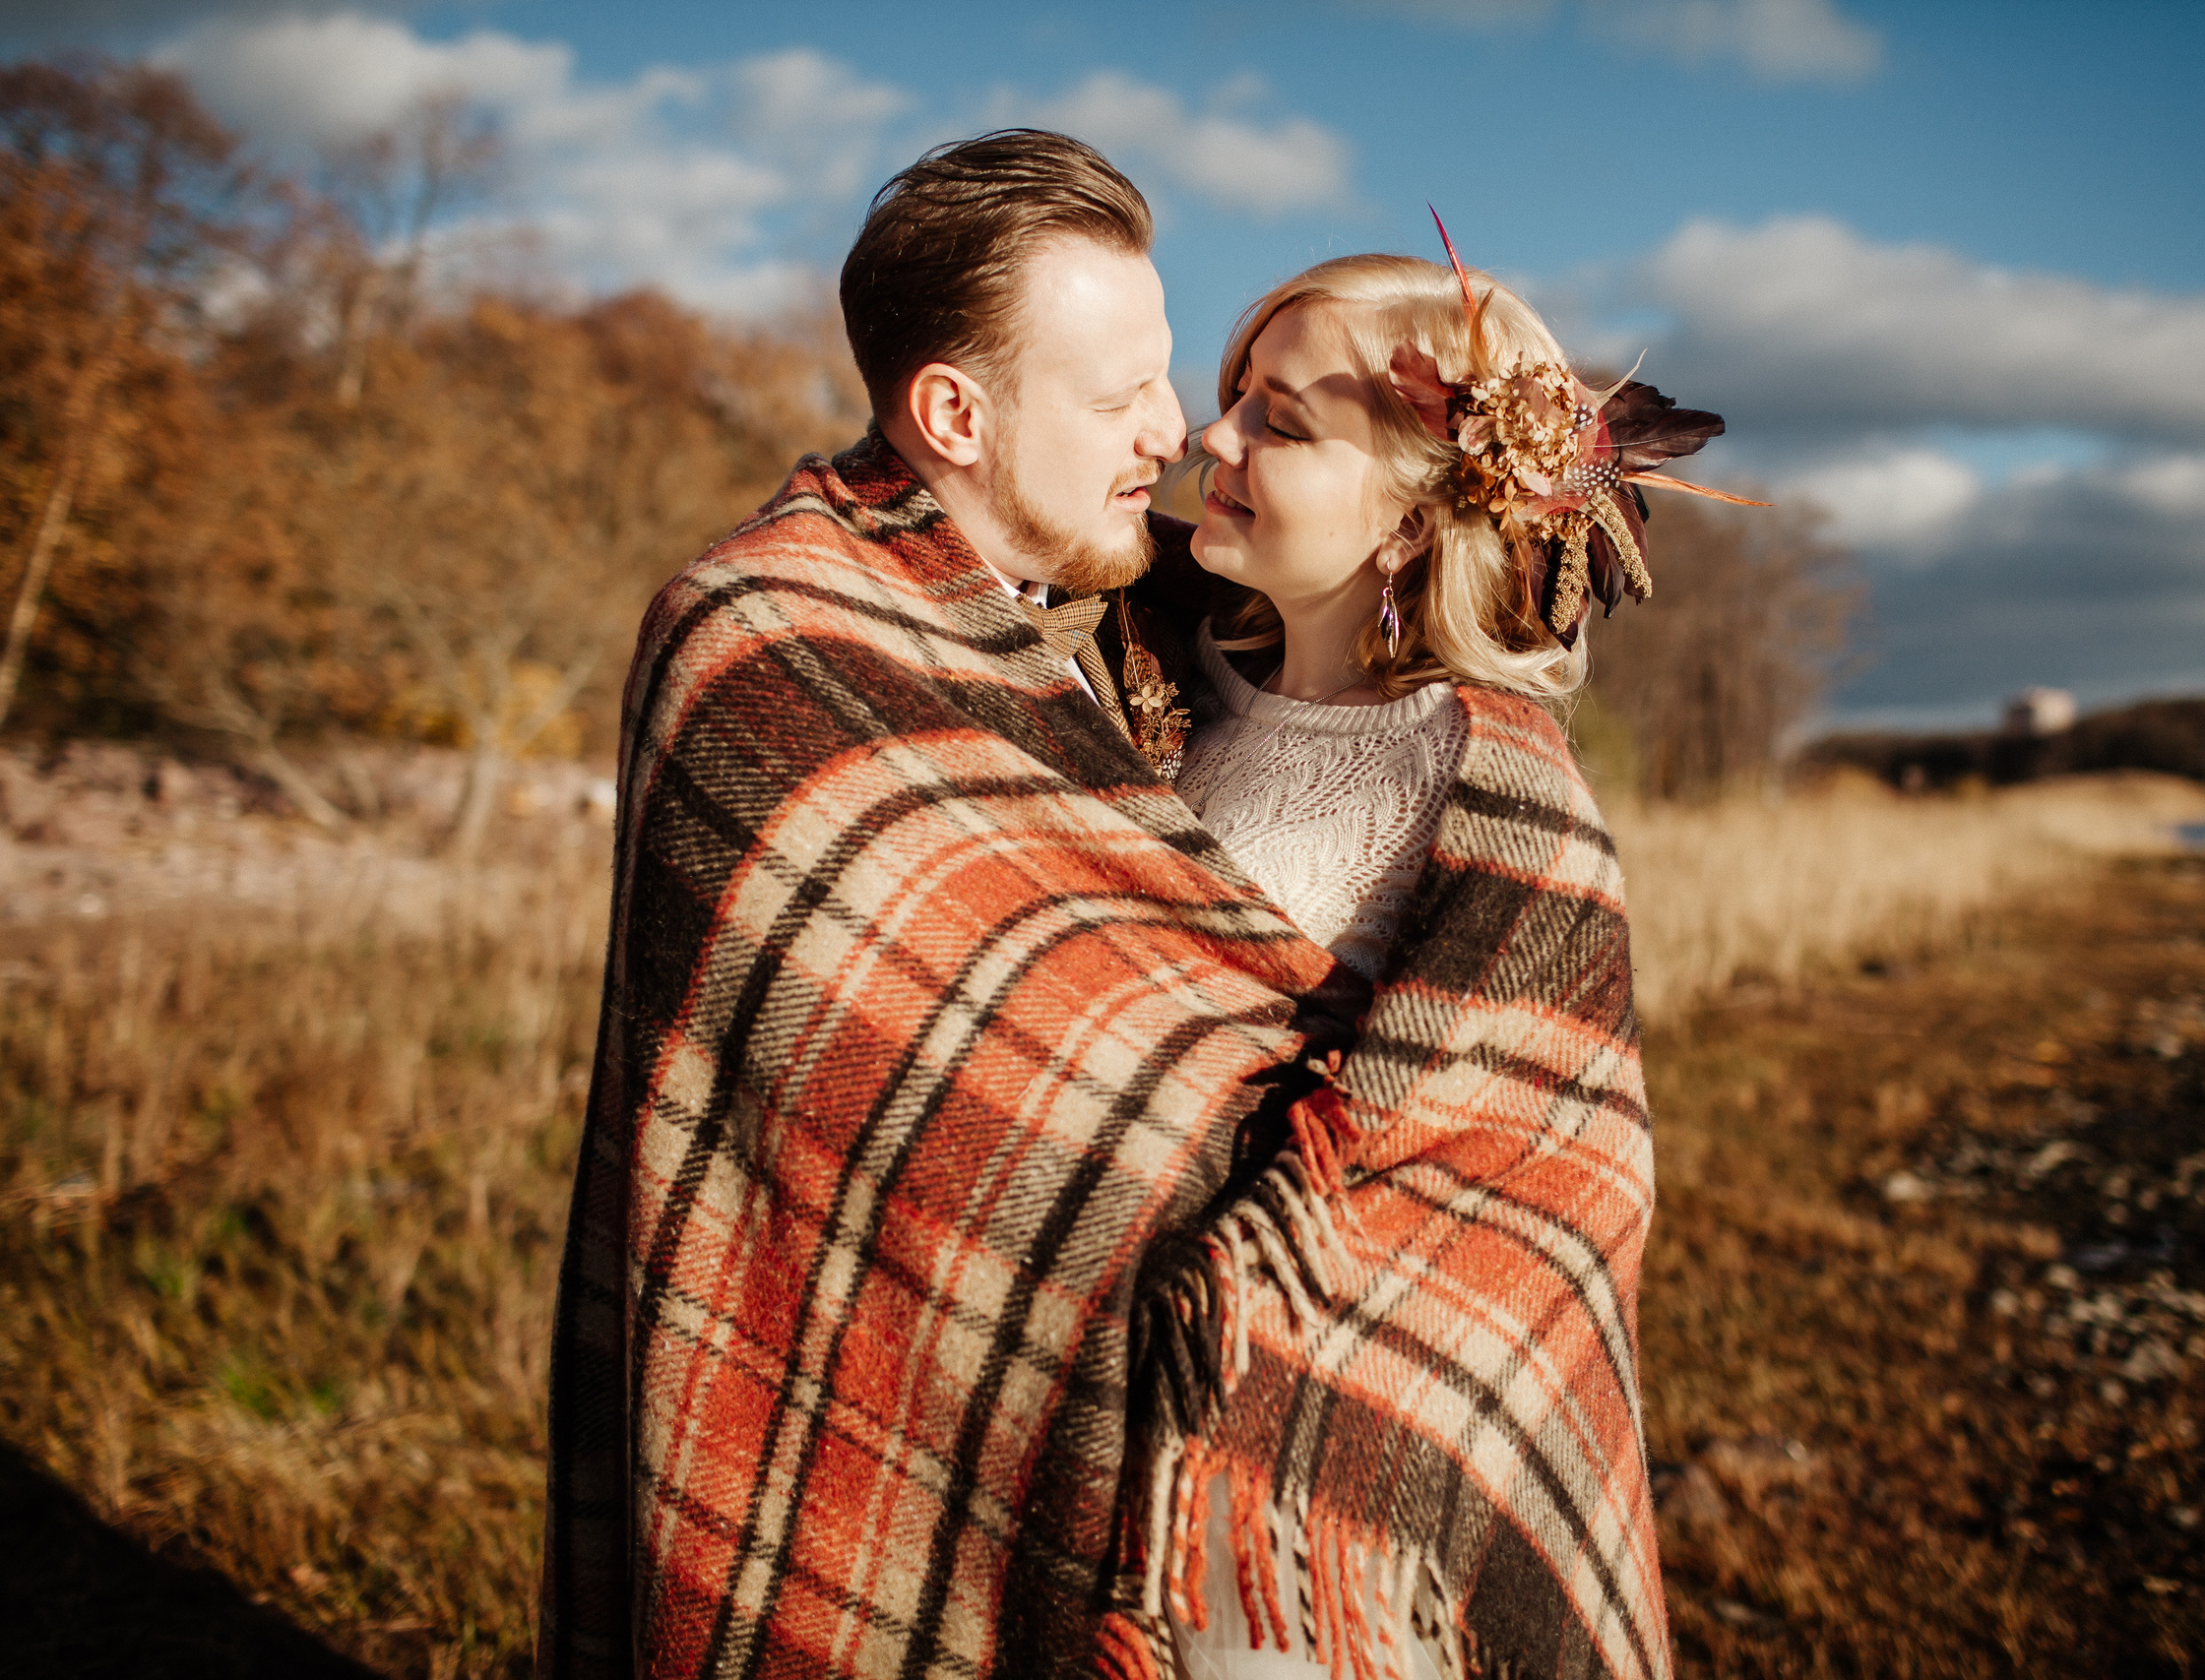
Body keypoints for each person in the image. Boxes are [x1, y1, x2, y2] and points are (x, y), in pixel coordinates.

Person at [537, 131, 1333, 1679]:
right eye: (1118, 400)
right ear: (954, 415)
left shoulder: (1181, 617)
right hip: (860, 1374)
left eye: (1163, 382)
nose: (1171, 435)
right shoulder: (762, 642)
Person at [1118, 248, 1739, 1680]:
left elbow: (1526, 1194)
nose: (1212, 439)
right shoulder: (1151, 680)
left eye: (1281, 421)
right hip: (1111, 1396)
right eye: (1230, 399)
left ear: (1412, 516)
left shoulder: (1487, 791)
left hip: (1297, 1498)